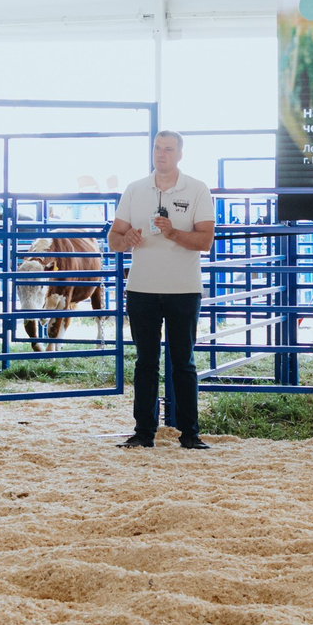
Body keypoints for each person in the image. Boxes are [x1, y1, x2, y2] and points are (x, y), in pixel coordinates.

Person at [108, 131, 213, 450]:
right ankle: (144, 432)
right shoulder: (134, 189)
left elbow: (205, 241)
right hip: (141, 288)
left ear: (180, 154)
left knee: (183, 362)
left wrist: (173, 233)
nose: (161, 153)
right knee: (145, 362)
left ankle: (190, 433)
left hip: (184, 289)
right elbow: (113, 239)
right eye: (157, 148)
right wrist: (125, 242)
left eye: (168, 149)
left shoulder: (197, 189)